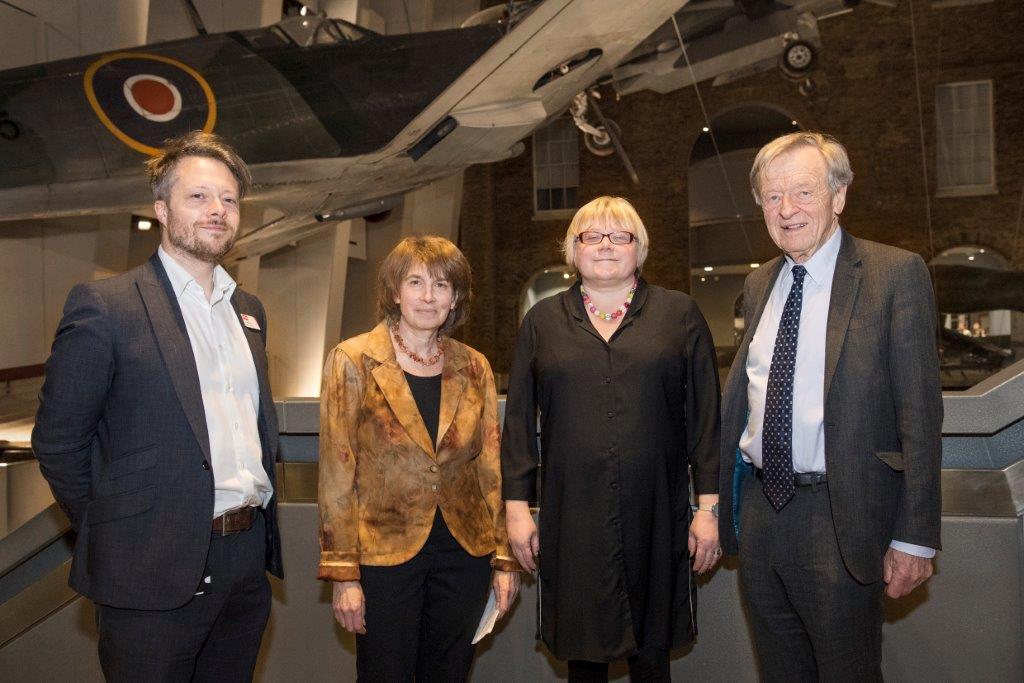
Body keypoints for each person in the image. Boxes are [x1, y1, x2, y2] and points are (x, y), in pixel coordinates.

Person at [32, 131, 282, 681]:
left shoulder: (250, 310)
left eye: (229, 199)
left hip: (245, 563)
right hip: (148, 567)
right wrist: (115, 528)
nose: (217, 209)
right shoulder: (107, 305)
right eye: (198, 197)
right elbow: (57, 442)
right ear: (162, 209)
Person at [718, 132, 943, 681]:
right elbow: (745, 400)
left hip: (841, 515)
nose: (787, 209)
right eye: (772, 197)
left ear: (839, 196)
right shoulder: (758, 283)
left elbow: (920, 415)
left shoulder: (896, 275)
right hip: (762, 514)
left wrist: (914, 537)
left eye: (803, 192)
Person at [502, 196, 722, 681]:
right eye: (591, 236)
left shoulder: (680, 315)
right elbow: (518, 422)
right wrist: (516, 509)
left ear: (639, 249)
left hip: (658, 512)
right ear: (573, 249)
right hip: (573, 515)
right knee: (583, 654)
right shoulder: (541, 323)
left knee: (652, 654)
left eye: (619, 235)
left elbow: (706, 418)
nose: (605, 245)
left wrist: (708, 510)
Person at [318, 235, 520, 682]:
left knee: (448, 674)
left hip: (464, 553)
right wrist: (343, 573)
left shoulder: (475, 367)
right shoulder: (351, 360)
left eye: (442, 285)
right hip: (383, 554)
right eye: (416, 282)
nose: (429, 297)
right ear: (395, 291)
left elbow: (490, 468)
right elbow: (337, 471)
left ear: (455, 298)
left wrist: (504, 557)